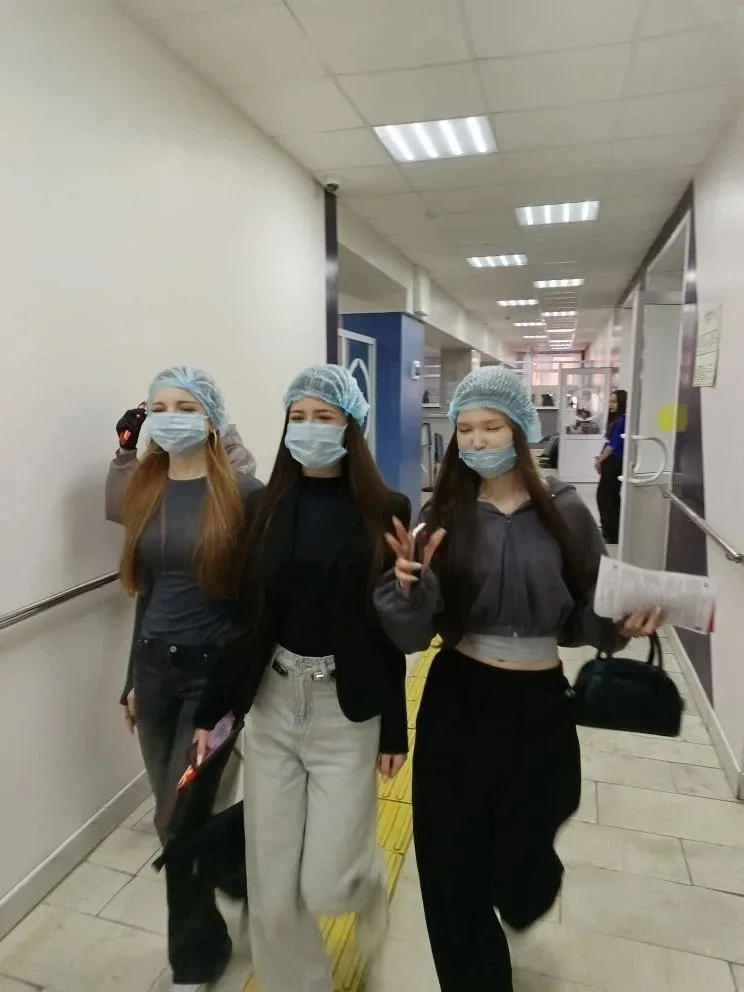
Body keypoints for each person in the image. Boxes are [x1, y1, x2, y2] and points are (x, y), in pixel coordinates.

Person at [373, 366, 663, 992]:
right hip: (458, 695)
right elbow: (411, 635)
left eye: (492, 427)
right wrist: (408, 591)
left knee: (523, 858)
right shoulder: (441, 515)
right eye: (466, 430)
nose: (477, 441)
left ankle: (526, 882)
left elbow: (586, 612)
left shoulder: (565, 512)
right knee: (449, 867)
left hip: (538, 702)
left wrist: (624, 620)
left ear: (521, 430)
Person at [193, 364, 411, 992]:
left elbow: (387, 630)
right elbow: (244, 619)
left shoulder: (385, 511)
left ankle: (364, 883)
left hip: (346, 708)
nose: (310, 428)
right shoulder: (261, 506)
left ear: (351, 426)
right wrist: (213, 712)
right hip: (273, 700)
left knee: (327, 881)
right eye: (300, 416)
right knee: (272, 880)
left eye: (325, 416)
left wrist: (394, 727)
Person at [105, 366, 261, 992]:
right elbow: (146, 594)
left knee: (179, 818)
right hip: (155, 670)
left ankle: (196, 958)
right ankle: (234, 873)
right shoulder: (147, 488)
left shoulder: (245, 494)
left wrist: (230, 699)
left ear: (213, 419)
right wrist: (132, 680)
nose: (171, 419)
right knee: (173, 816)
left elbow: (255, 604)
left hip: (211, 678)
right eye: (161, 408)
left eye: (186, 407)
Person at [595, 388, 627, 544]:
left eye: (614, 402)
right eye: (610, 402)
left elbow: (612, 446)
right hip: (612, 461)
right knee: (611, 496)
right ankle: (612, 530)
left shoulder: (622, 420)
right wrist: (601, 458)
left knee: (604, 496)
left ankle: (611, 532)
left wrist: (600, 460)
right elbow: (609, 443)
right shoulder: (617, 420)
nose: (611, 405)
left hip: (615, 462)